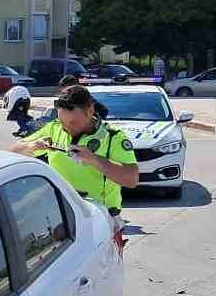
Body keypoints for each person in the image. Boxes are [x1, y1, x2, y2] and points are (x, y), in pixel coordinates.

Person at [10, 85, 139, 233]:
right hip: (60, 216)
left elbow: (132, 179)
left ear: (90, 111)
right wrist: (33, 146)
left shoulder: (113, 137)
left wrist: (95, 160)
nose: (67, 129)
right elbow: (14, 150)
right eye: (63, 123)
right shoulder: (53, 128)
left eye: (73, 123)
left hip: (101, 219)